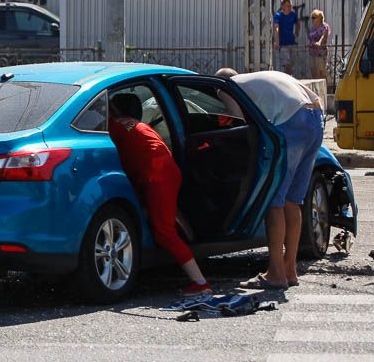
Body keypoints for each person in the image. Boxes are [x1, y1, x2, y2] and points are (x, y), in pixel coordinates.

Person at [216, 68, 323, 290]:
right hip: (315, 118)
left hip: (291, 121)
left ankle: (275, 273)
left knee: (272, 198)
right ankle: (289, 270)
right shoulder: (259, 79)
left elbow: (239, 124)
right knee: (293, 200)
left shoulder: (228, 88)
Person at [108, 93, 212, 296]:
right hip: (166, 171)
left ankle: (200, 283)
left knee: (164, 232)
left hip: (157, 176)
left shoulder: (112, 128)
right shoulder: (137, 124)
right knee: (164, 224)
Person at [273, 0, 301, 77]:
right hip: (283, 44)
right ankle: (288, 79)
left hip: (292, 42)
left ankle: (288, 78)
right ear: (283, 6)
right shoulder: (278, 15)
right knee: (286, 64)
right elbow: (276, 28)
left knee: (291, 64)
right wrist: (277, 42)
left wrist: (296, 33)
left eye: (290, 6)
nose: (289, 8)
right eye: (287, 6)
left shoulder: (293, 15)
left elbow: (298, 23)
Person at [307, 9, 331, 83]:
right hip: (312, 52)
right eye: (312, 18)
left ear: (319, 18)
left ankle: (326, 89)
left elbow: (324, 36)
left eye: (314, 17)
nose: (313, 19)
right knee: (314, 72)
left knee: (322, 71)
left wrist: (319, 43)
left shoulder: (324, 26)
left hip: (321, 53)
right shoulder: (313, 28)